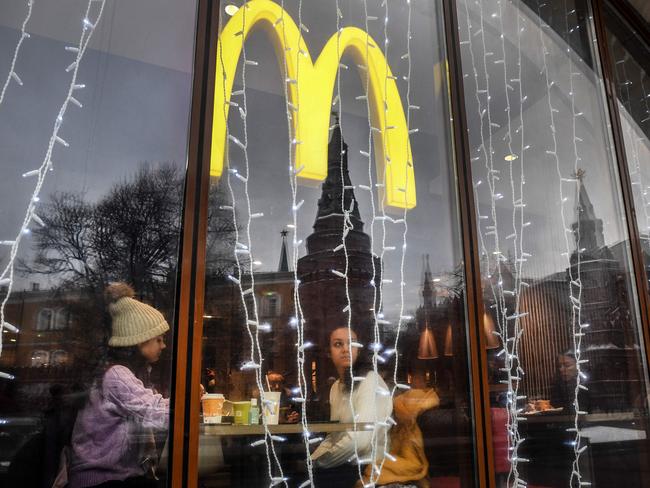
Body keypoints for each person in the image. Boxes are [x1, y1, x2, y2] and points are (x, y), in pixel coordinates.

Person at [67, 283, 171, 488]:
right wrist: (191, 396)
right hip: (102, 480)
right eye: (158, 340)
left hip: (115, 476)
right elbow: (157, 414)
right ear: (140, 341)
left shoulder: (123, 373)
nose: (163, 345)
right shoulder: (117, 376)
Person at [311, 327, 393, 486]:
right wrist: (312, 460)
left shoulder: (369, 380)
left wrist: (319, 463)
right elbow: (333, 436)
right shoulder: (336, 386)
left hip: (369, 466)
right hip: (344, 464)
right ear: (329, 352)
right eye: (338, 344)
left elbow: (360, 441)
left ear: (359, 351)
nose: (345, 349)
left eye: (352, 344)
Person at [363, 368, 439, 488]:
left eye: (420, 379)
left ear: (425, 382)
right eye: (415, 379)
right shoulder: (400, 400)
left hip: (412, 458)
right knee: (374, 467)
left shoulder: (425, 398)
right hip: (399, 448)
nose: (417, 382)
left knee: (375, 467)